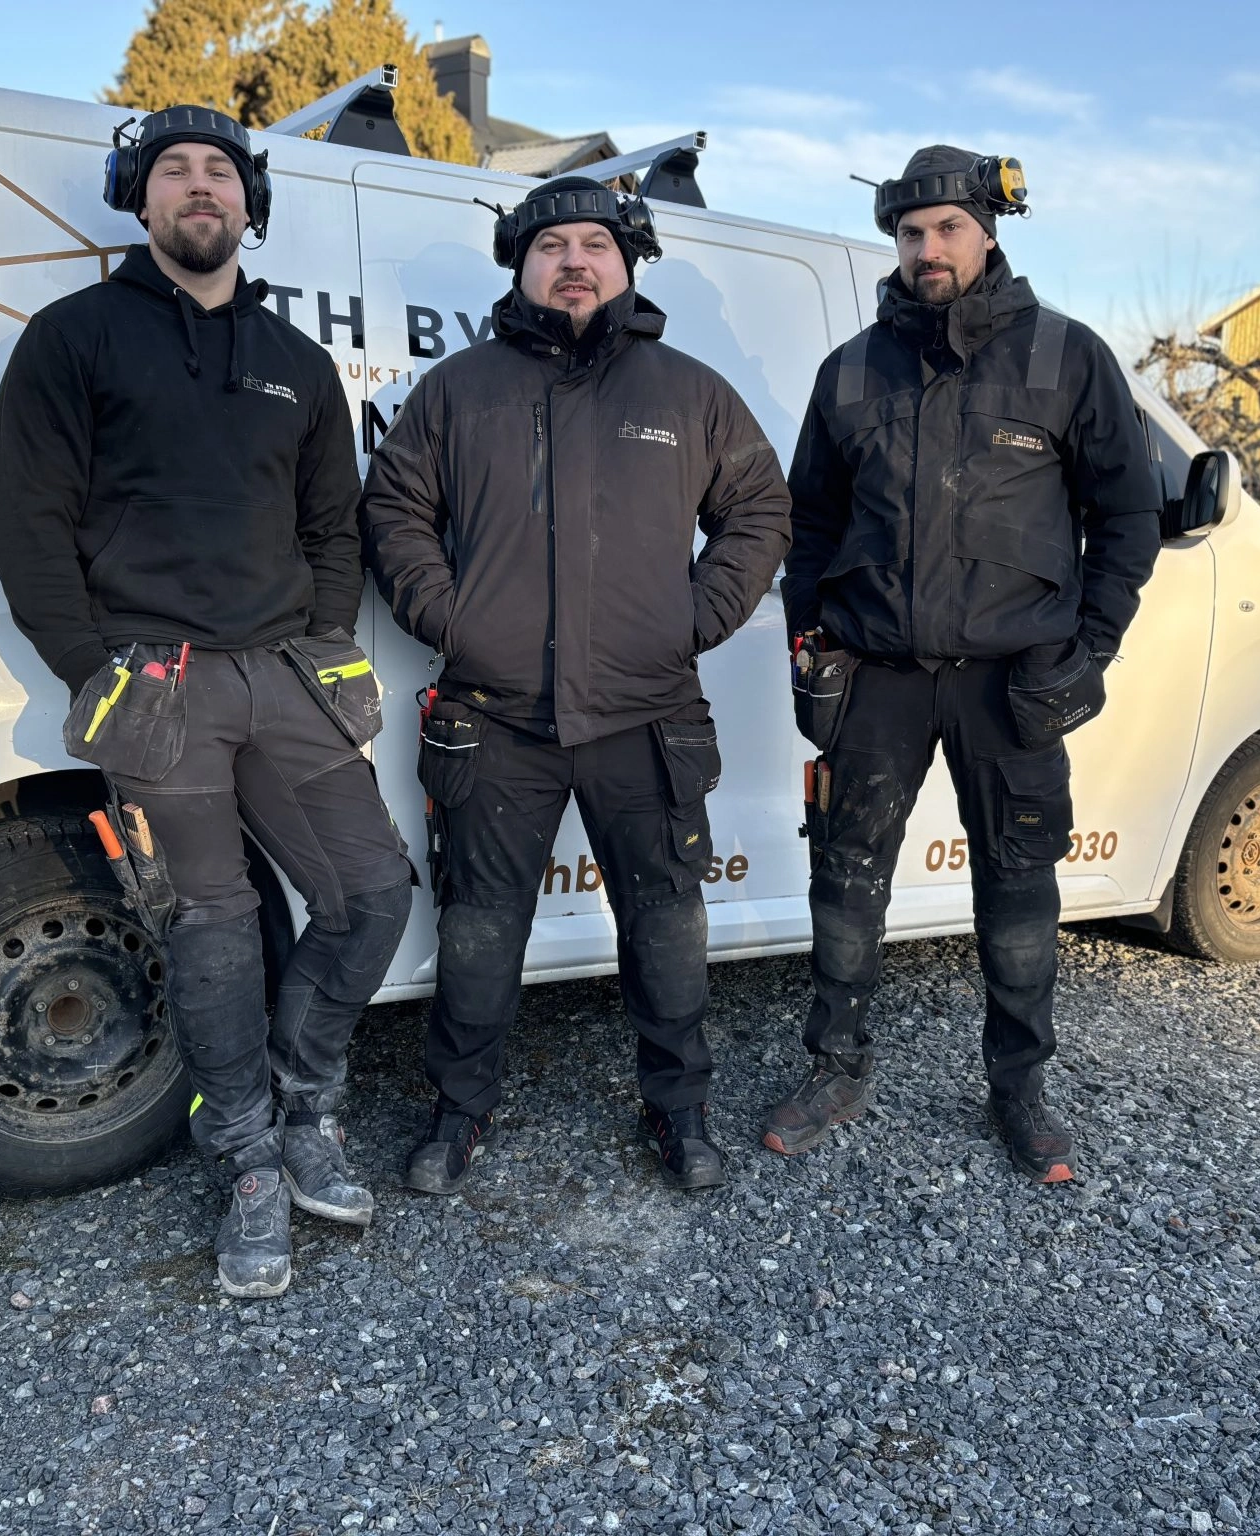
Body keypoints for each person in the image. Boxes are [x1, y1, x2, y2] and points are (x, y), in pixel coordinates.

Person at [0, 106, 413, 1298]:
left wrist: (325, 645)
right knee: (212, 927)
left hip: (284, 673)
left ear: (246, 202)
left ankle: (303, 1101)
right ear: (140, 197)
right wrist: (94, 670)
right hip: (155, 684)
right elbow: (29, 524)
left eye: (218, 170)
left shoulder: (297, 363)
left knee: (371, 893)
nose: (197, 185)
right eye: (172, 168)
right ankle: (245, 1161)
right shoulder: (73, 338)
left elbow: (333, 526)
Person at [360, 177, 791, 1195]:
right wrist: (455, 621)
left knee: (666, 925)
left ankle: (679, 1109)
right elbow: (393, 512)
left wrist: (689, 620)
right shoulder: (459, 389)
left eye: (595, 243)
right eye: (550, 246)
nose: (573, 262)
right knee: (477, 930)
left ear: (625, 264)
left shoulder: (687, 392)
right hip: (494, 716)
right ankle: (458, 1111)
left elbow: (760, 511)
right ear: (520, 266)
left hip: (647, 715)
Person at [766, 145, 1160, 1183]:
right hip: (877, 676)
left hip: (1011, 682)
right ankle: (835, 1069)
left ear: (987, 230)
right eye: (909, 233)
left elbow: (1127, 516)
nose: (926, 248)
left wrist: (1090, 646)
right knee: (845, 878)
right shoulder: (851, 370)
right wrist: (810, 636)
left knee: (1019, 888)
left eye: (946, 227)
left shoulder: (1066, 357)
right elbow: (808, 522)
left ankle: (1018, 1089)